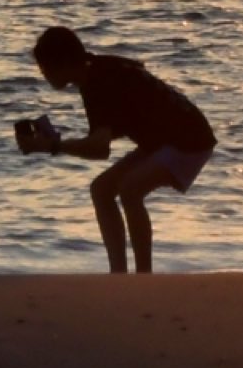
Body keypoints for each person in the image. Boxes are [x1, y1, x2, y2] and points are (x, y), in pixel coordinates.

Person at [26, 25, 215, 273]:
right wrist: (55, 143)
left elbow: (99, 149)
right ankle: (118, 273)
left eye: (45, 68)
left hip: (189, 140)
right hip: (161, 140)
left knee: (130, 190)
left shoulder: (97, 80)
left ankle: (142, 275)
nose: (43, 74)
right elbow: (104, 135)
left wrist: (53, 145)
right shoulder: (95, 71)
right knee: (102, 190)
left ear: (60, 64)